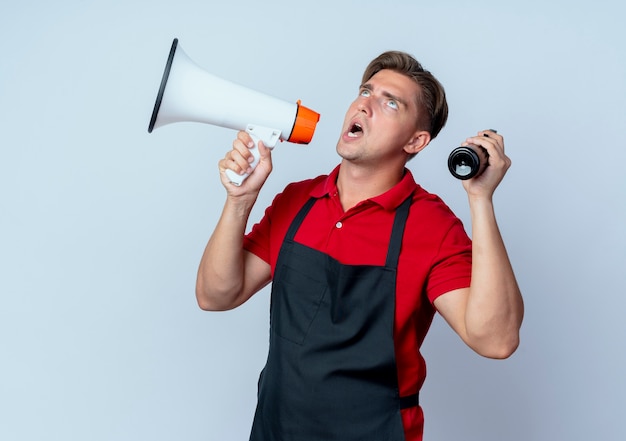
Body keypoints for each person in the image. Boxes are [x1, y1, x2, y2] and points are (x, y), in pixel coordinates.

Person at [195, 50, 524, 441]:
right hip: (275, 429)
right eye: (365, 91)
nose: (365, 104)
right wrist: (239, 202)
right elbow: (215, 295)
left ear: (416, 141)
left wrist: (480, 200)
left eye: (389, 103)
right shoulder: (297, 201)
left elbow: (496, 340)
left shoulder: (431, 227)